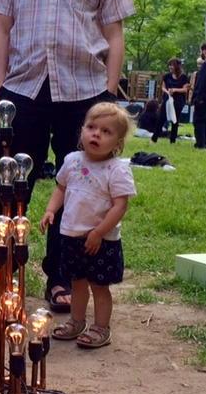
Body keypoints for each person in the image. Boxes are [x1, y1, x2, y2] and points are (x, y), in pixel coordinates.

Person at [0, 0, 135, 313]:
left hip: (85, 89)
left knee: (80, 190)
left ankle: (62, 277)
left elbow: (113, 32)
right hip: (23, 88)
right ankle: (0, 270)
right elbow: (1, 28)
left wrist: (109, 90)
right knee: (6, 180)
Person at [40, 103, 136, 348]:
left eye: (106, 131)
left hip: (101, 241)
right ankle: (77, 321)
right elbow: (61, 188)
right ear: (81, 130)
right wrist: (51, 210)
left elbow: (120, 206)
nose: (96, 134)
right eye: (91, 127)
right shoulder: (72, 160)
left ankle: (101, 328)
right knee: (77, 283)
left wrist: (99, 232)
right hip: (71, 235)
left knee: (99, 287)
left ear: (118, 143)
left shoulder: (117, 169)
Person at [152, 58, 189, 144]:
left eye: (172, 65)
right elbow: (163, 87)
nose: (170, 67)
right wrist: (167, 91)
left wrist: (175, 90)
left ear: (177, 66)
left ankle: (173, 140)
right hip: (167, 99)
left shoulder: (184, 77)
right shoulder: (167, 76)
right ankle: (154, 138)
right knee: (161, 118)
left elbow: (185, 90)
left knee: (175, 120)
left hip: (178, 101)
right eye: (169, 65)